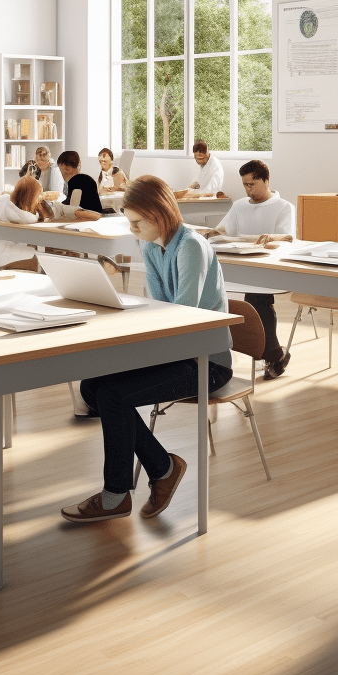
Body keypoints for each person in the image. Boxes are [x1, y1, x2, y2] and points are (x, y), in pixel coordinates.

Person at [60, 175, 234, 524]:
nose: (133, 229)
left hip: (206, 361)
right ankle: (164, 468)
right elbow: (159, 308)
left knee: (111, 393)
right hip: (174, 350)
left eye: (138, 222)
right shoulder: (152, 246)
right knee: (92, 387)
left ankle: (116, 495)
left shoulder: (191, 246)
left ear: (160, 214)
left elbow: (184, 316)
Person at [211, 159, 295, 380]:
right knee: (246, 297)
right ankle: (273, 354)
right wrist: (212, 233)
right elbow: (224, 230)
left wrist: (271, 240)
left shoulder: (284, 207)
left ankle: (269, 353)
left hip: (270, 268)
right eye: (245, 185)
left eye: (252, 184)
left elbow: (287, 240)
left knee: (256, 297)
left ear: (266, 181)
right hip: (243, 264)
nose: (248, 189)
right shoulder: (239, 205)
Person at [0, 175, 48, 270]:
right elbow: (35, 217)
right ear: (31, 197)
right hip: (11, 256)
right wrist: (39, 209)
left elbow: (6, 197)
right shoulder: (27, 218)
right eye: (39, 195)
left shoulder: (4, 202)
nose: (40, 198)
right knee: (47, 261)